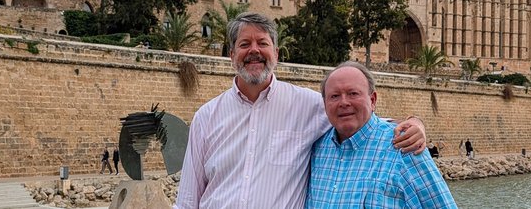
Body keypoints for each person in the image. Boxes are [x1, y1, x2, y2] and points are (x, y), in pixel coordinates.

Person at [174, 12, 427, 209]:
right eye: (244, 44)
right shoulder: (206, 117)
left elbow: (357, 116)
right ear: (231, 55)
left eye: (262, 43)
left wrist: (414, 124)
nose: (254, 50)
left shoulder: (308, 106)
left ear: (276, 53)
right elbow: (188, 199)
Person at [305, 62, 456, 208]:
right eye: (335, 96)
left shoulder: (404, 147)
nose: (344, 102)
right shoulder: (316, 148)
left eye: (353, 94)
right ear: (324, 104)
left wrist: (416, 121)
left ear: (372, 100)